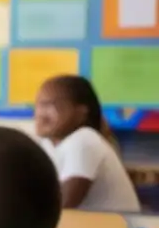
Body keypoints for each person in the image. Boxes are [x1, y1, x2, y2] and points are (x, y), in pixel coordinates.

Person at [34, 74, 140, 212]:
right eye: (39, 104)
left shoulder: (84, 139)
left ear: (81, 113)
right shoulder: (49, 145)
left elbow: (64, 203)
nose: (41, 114)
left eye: (51, 105)